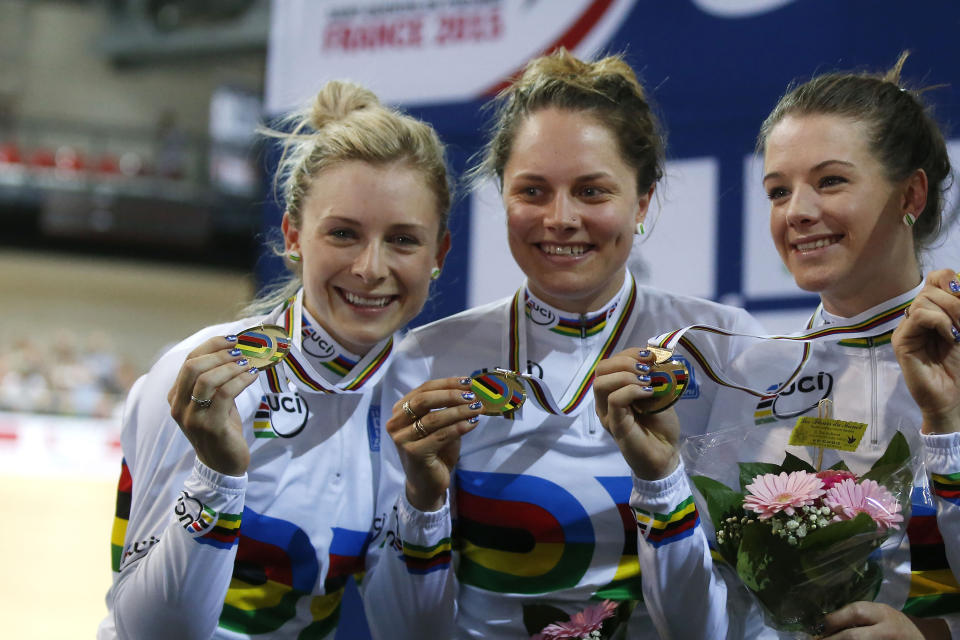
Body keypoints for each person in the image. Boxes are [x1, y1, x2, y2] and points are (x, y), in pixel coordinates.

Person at [378, 48, 762, 639]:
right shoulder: (426, 361)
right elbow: (405, 633)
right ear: (501, 196)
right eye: (532, 191)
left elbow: (715, 629)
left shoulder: (727, 350)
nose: (559, 218)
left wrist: (662, 484)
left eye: (591, 191)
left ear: (642, 203)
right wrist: (424, 504)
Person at [595, 54, 960, 639]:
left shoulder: (956, 361)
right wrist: (660, 481)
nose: (798, 212)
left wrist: (930, 637)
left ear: (910, 194)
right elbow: (697, 629)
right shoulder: (751, 371)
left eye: (831, 180)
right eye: (777, 190)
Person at [98, 80, 461, 640]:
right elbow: (148, 631)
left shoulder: (417, 400)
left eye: (403, 240)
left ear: (438, 254)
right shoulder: (206, 376)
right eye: (343, 233)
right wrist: (218, 478)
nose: (370, 267)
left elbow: (413, 632)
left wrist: (426, 501)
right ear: (293, 236)